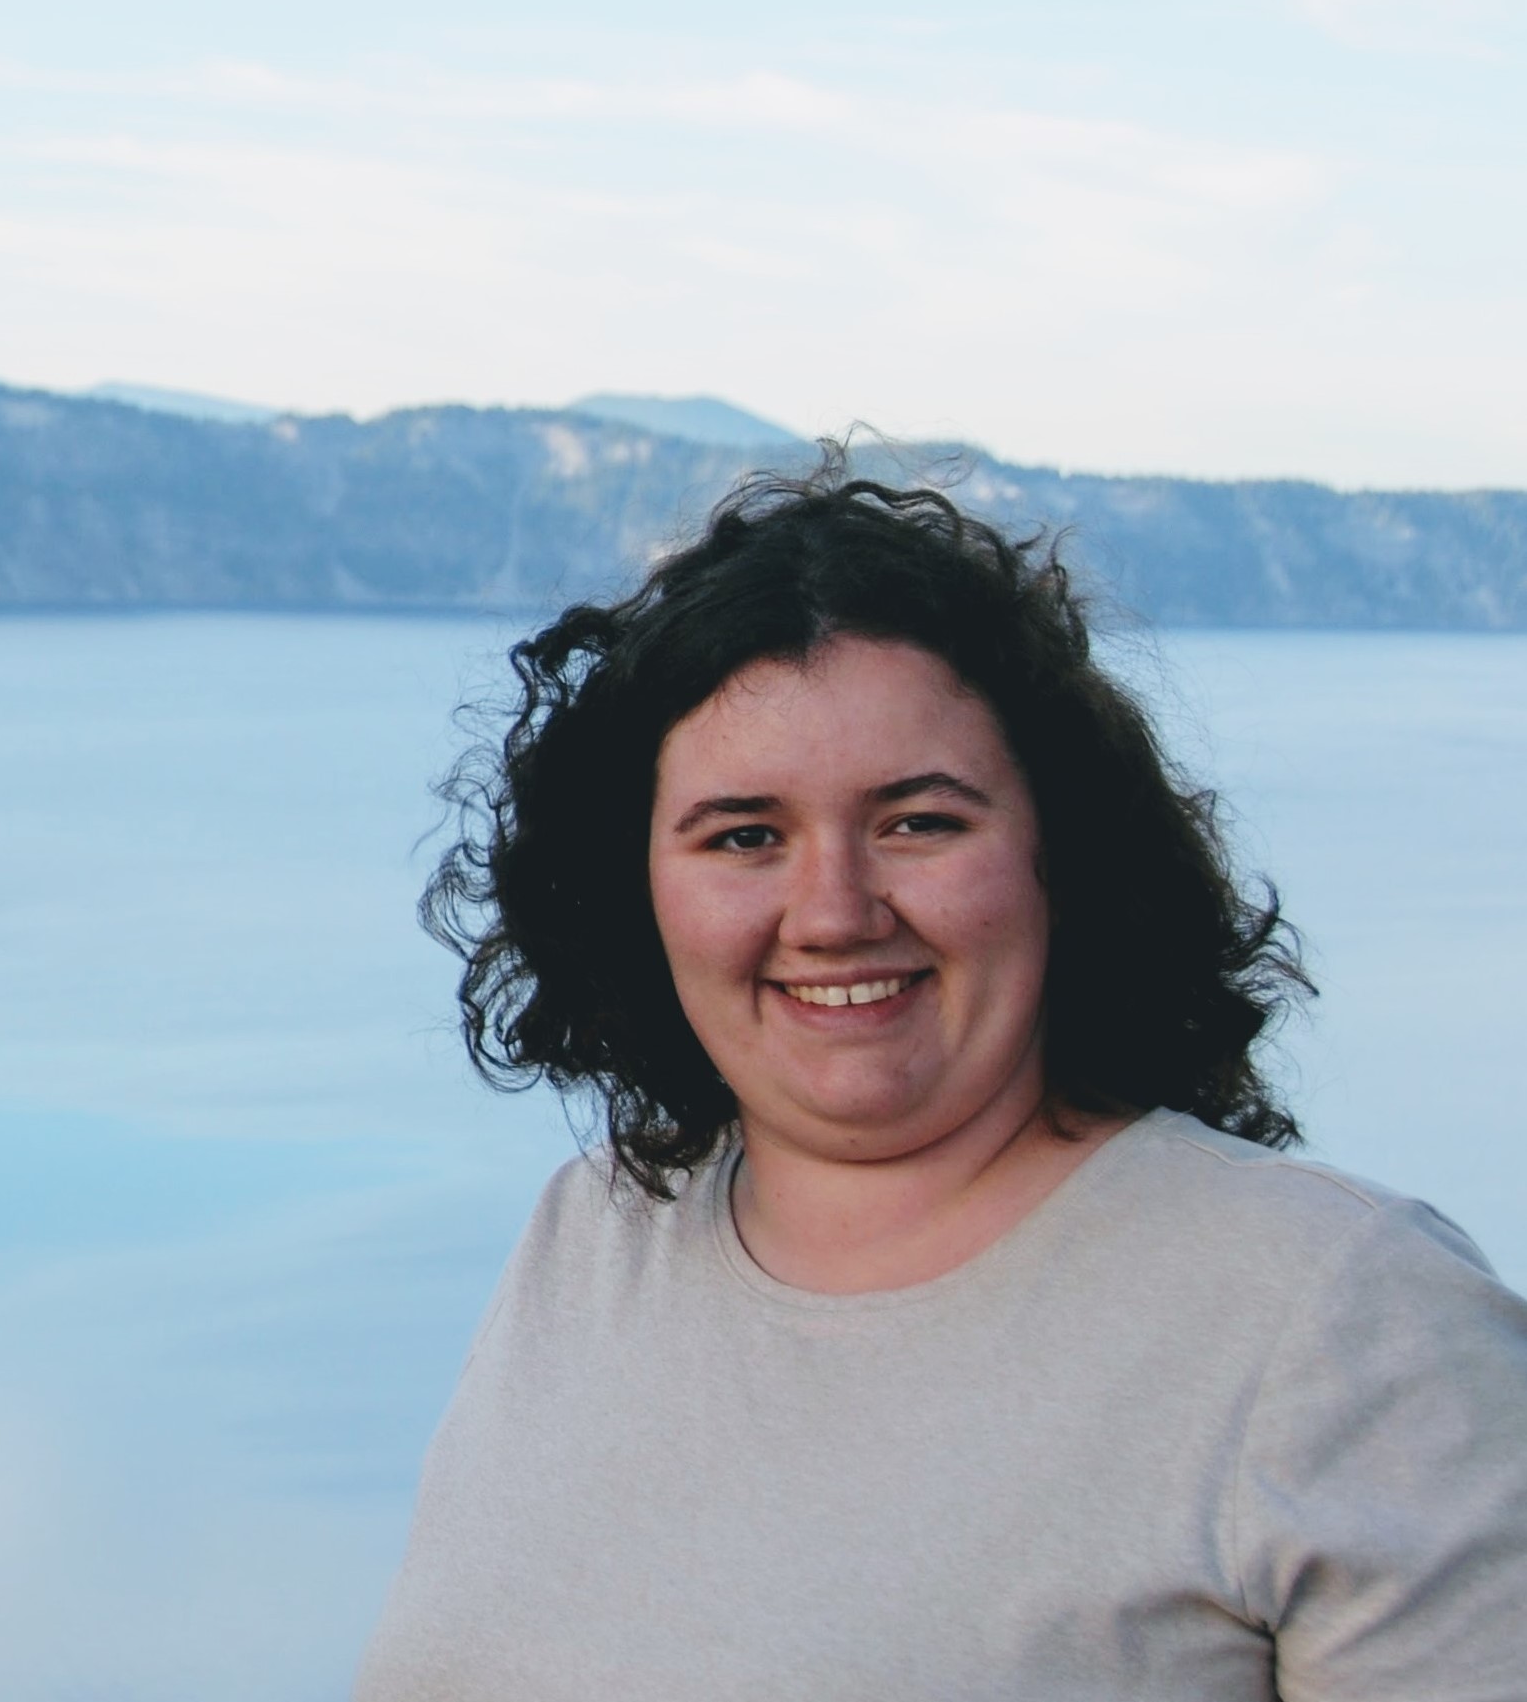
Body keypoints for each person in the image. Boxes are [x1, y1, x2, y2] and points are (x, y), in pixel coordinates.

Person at [354, 468, 1527, 1698]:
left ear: (1058, 855)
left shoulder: (1342, 1320)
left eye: (917, 822)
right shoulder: (594, 1233)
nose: (832, 913)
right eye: (744, 835)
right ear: (631, 889)